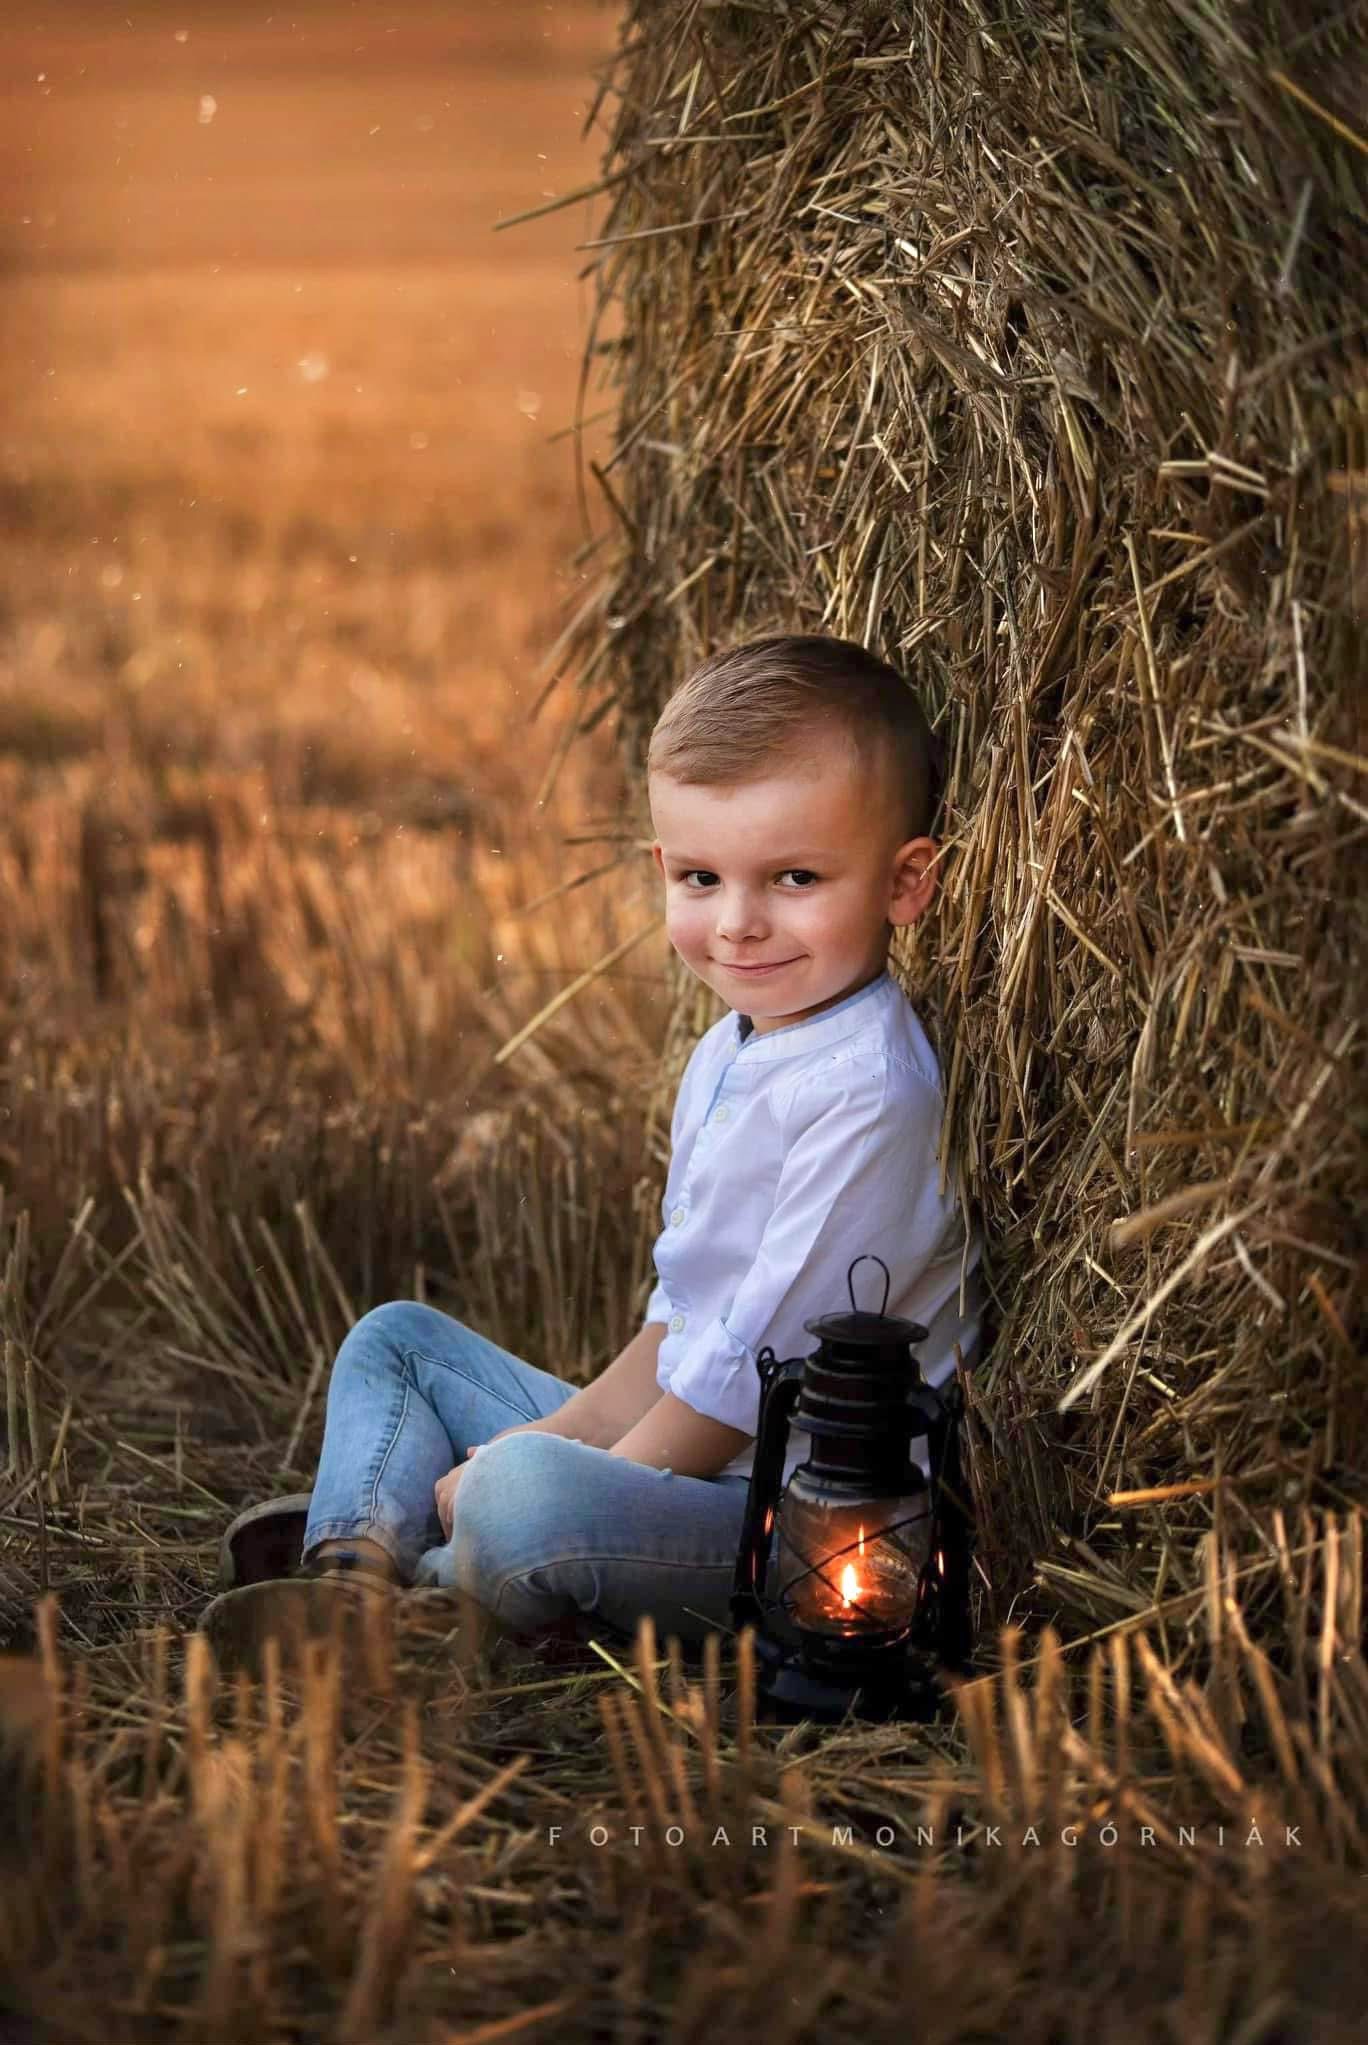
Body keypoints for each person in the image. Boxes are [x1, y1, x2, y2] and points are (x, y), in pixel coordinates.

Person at [199, 634, 984, 1664]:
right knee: (399, 1343)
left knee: (526, 1498)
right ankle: (357, 1571)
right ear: (661, 867)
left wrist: (526, 1472)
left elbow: (738, 1391)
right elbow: (679, 1335)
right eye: (702, 877)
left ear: (906, 881)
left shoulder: (868, 1094)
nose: (739, 924)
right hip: (700, 1459)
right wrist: (552, 1433)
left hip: (807, 1529)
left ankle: (434, 1588)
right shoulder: (733, 1049)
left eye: (795, 877)